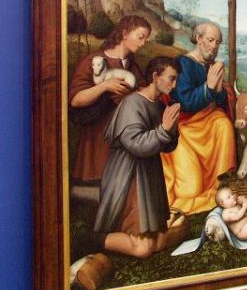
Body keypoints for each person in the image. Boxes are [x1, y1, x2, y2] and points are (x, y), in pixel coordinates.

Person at [94, 56, 181, 258]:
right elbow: (136, 145)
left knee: (159, 242)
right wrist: (164, 130)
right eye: (171, 78)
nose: (175, 84)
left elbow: (167, 146)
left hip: (149, 175)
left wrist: (171, 131)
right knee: (144, 248)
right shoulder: (132, 103)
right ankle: (91, 240)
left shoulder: (159, 104)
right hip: (129, 176)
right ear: (155, 76)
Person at [161, 22, 237, 214]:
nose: (214, 46)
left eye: (217, 43)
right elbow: (184, 101)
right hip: (185, 128)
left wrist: (218, 91)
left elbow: (218, 101)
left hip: (208, 123)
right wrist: (208, 88)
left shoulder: (211, 66)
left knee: (224, 124)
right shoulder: (182, 63)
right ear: (198, 38)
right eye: (210, 40)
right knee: (190, 190)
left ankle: (220, 184)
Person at [69, 15, 151, 190]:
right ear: (125, 33)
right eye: (140, 37)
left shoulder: (132, 65)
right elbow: (76, 100)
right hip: (98, 136)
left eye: (146, 39)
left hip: (122, 136)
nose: (143, 43)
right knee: (97, 188)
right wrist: (105, 86)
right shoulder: (94, 61)